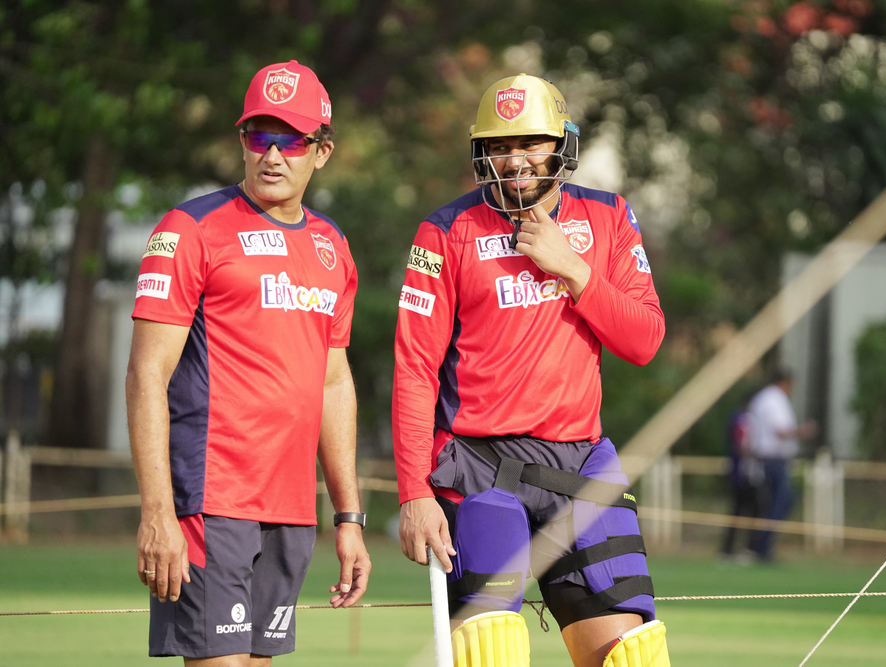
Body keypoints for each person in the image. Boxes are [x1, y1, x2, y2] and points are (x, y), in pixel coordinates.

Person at [393, 74, 670, 667]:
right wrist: (414, 492)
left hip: (582, 464)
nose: (515, 159)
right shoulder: (444, 231)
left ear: (561, 145)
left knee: (634, 656)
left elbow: (645, 340)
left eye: (530, 143)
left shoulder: (609, 216)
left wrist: (574, 269)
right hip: (479, 468)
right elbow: (414, 369)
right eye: (498, 146)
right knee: (491, 652)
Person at [125, 60, 371, 665]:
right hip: (211, 499)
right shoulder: (190, 229)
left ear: (323, 151)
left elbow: (333, 383)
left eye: (291, 140)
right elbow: (146, 375)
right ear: (242, 141)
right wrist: (157, 512)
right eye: (260, 136)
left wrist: (348, 515)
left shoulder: (333, 245)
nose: (273, 154)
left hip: (292, 510)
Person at [745, 367, 818, 562]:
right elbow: (780, 431)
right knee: (781, 501)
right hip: (773, 459)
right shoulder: (774, 399)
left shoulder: (763, 398)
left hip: (767, 459)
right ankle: (761, 546)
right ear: (785, 382)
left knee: (771, 503)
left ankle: (759, 545)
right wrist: (803, 431)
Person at [718, 399, 762, 561]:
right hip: (744, 473)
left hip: (742, 472)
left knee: (741, 511)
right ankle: (742, 548)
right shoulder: (743, 419)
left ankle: (731, 548)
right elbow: (742, 444)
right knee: (746, 510)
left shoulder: (739, 417)